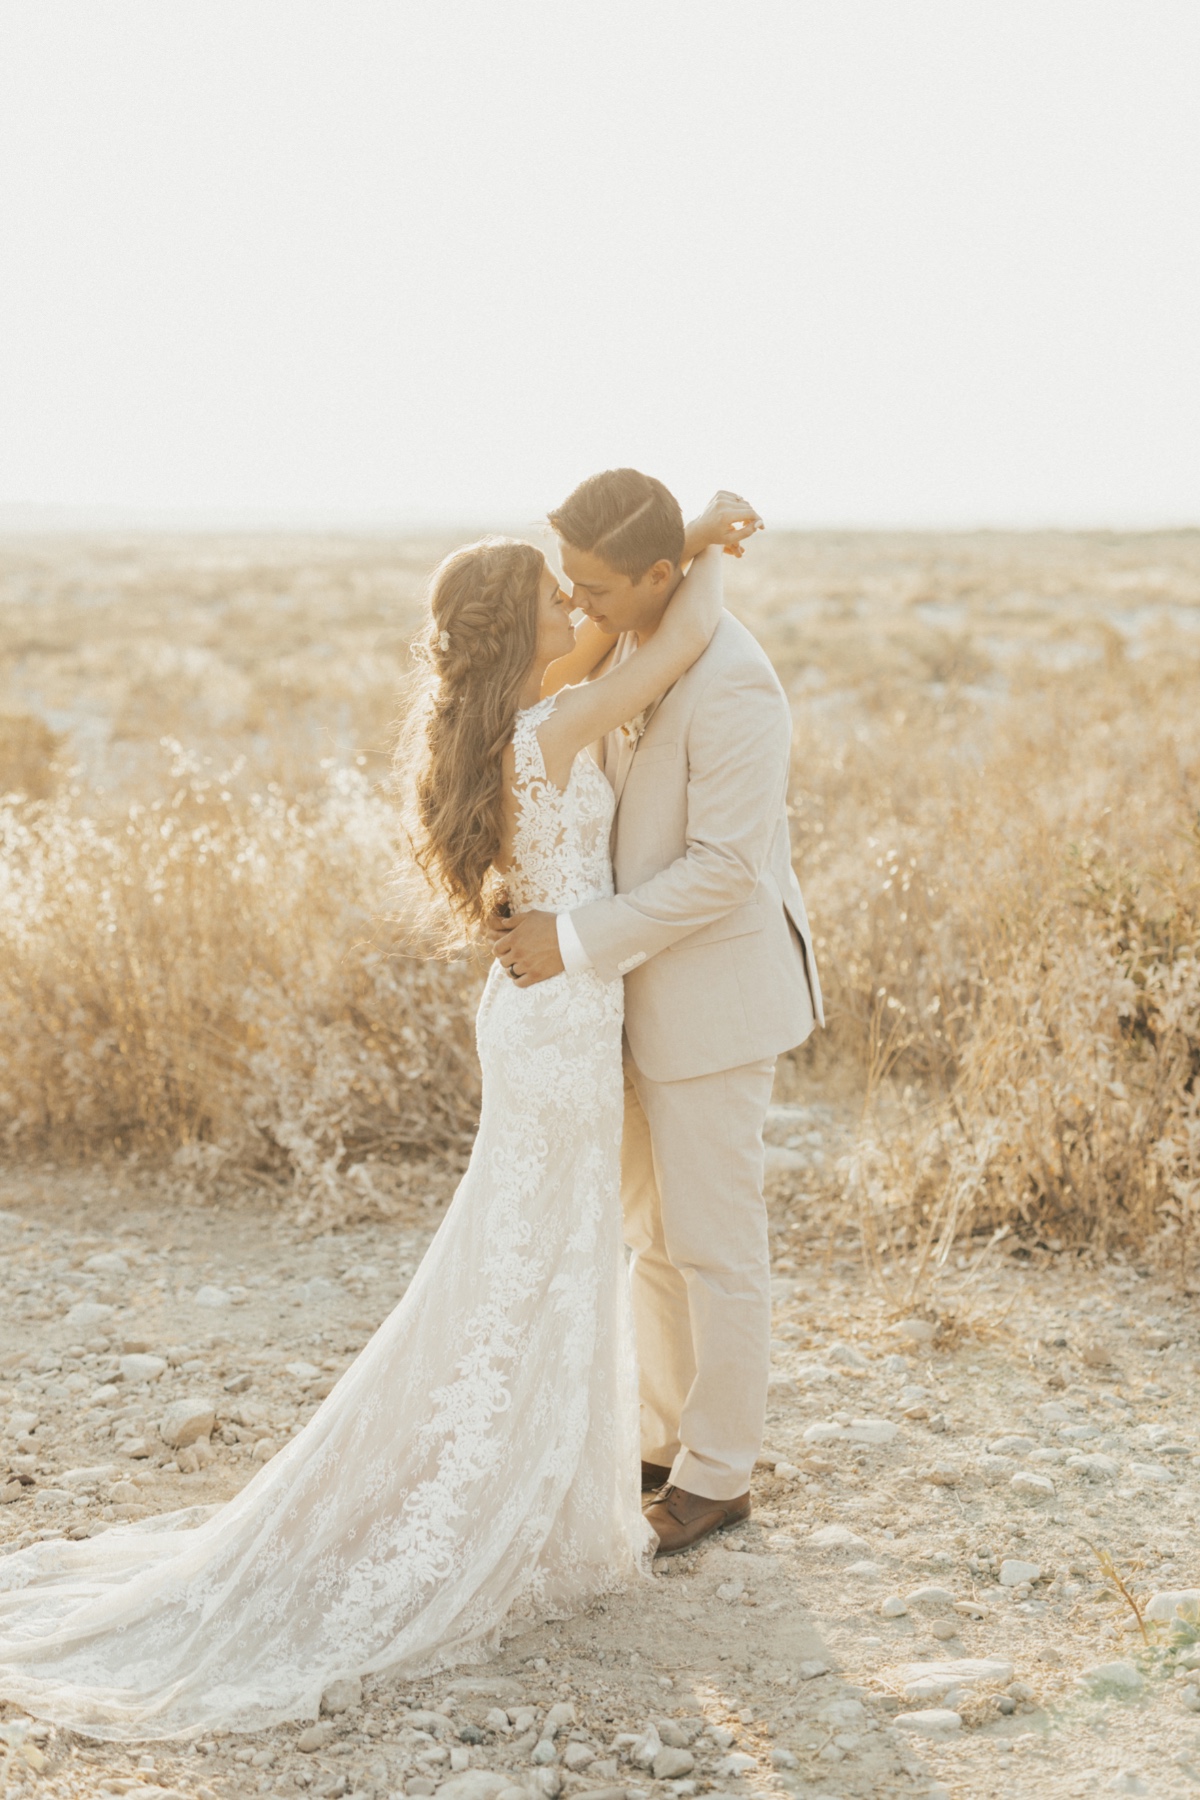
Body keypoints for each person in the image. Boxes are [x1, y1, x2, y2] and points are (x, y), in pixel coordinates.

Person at [0, 494, 747, 1741]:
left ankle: (532, 1485)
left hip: (542, 1020)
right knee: (544, 1263)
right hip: (558, 1029)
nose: (581, 609)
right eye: (559, 600)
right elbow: (679, 642)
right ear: (522, 635)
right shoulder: (553, 732)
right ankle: (503, 1500)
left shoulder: (494, 731)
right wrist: (714, 538)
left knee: (539, 1258)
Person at [494, 468, 823, 1555]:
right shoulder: (640, 635)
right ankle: (666, 1437)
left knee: (718, 1247)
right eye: (569, 588)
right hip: (621, 1003)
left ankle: (719, 1476)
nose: (578, 607)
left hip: (711, 1001)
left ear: (655, 579)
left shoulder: (733, 681)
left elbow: (727, 869)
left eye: (594, 587)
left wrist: (572, 943)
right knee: (650, 1238)